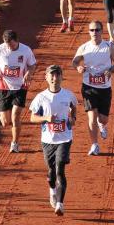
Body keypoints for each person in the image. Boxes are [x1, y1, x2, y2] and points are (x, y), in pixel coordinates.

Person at [30, 64, 77, 217]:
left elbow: (74, 107)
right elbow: (32, 117)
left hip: (65, 138)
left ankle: (60, 204)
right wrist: (45, 118)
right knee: (51, 173)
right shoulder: (41, 97)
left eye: (57, 75)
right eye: (51, 75)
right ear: (46, 78)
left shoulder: (68, 95)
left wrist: (73, 118)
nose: (54, 78)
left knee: (60, 168)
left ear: (62, 77)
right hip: (48, 140)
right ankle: (52, 190)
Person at [72, 20, 114, 155]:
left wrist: (111, 70)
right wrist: (79, 67)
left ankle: (102, 125)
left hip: (105, 88)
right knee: (91, 118)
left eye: (97, 30)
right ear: (89, 32)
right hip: (89, 87)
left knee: (103, 119)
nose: (94, 32)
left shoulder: (108, 46)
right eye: (92, 30)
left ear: (102, 31)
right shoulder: (84, 47)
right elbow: (75, 61)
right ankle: (94, 145)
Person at [0, 29, 37, 153]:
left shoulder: (26, 50)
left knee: (16, 116)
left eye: (11, 45)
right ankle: (9, 118)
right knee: (5, 122)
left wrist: (29, 74)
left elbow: (32, 65)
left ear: (17, 41)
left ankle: (15, 144)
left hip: (20, 86)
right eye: (7, 44)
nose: (9, 47)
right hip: (4, 86)